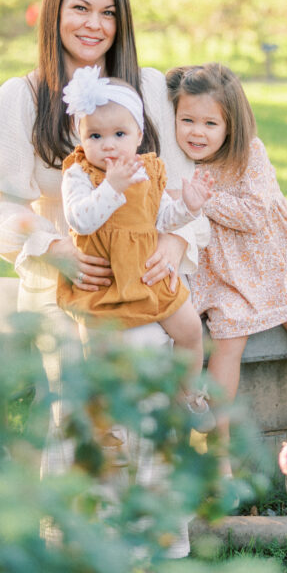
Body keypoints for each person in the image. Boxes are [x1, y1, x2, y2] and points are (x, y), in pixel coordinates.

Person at [0, 0, 207, 553]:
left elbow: (184, 190)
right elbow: (4, 204)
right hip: (65, 277)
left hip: (147, 271)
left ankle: (158, 537)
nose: (93, 24)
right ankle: (78, 543)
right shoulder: (22, 97)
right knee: (83, 383)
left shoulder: (149, 88)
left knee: (153, 366)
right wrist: (54, 248)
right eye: (80, 7)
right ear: (55, 11)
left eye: (107, 12)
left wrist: (173, 240)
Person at [166, 63, 287, 503]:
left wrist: (202, 198)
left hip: (275, 264)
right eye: (188, 120)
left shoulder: (249, 153)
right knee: (228, 341)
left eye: (210, 123)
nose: (197, 132)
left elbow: (255, 215)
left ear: (231, 124)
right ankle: (217, 455)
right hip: (222, 275)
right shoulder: (175, 160)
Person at [56, 65, 214, 430]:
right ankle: (103, 419)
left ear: (139, 135)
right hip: (104, 282)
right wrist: (111, 187)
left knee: (190, 329)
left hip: (145, 275)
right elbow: (80, 220)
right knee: (99, 350)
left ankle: (189, 393)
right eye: (95, 135)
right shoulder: (78, 175)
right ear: (81, 138)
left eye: (119, 133)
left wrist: (188, 206)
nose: (107, 144)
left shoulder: (149, 171)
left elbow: (161, 219)